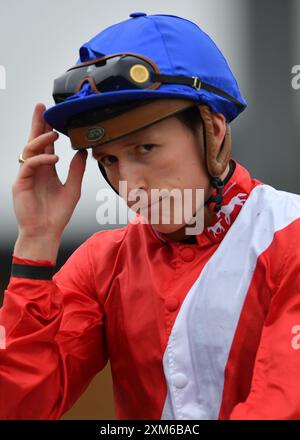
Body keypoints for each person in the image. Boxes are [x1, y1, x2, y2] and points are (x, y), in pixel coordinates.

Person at [1, 12, 300, 420]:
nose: (130, 183)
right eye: (109, 159)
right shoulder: (102, 263)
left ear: (212, 131)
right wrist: (35, 243)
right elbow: (18, 408)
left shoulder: (291, 235)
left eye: (145, 149)